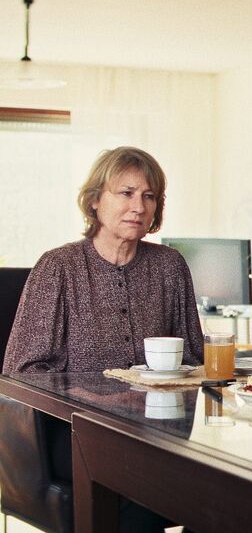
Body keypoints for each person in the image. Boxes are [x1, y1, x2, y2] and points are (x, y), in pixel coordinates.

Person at [2, 146, 204, 372]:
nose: (139, 207)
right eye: (126, 193)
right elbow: (21, 370)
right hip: (74, 398)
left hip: (158, 397)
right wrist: (78, 392)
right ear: (94, 199)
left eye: (148, 196)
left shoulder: (170, 266)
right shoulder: (58, 267)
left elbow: (194, 362)